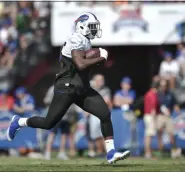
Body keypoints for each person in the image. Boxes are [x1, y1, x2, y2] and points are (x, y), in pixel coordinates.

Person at [7, 12, 130, 164]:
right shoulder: (76, 39)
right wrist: (101, 57)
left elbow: (83, 64)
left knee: (104, 113)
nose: (94, 29)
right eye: (92, 26)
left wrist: (96, 56)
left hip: (81, 88)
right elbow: (80, 64)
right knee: (48, 123)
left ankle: (111, 153)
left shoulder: (84, 40)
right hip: (67, 87)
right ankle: (19, 122)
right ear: (82, 26)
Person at [86, 74, 112, 157]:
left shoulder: (106, 90)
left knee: (104, 133)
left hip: (102, 114)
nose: (101, 81)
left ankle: (108, 152)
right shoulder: (91, 89)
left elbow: (107, 101)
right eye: (99, 79)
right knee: (96, 135)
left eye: (102, 79)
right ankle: (100, 151)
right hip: (93, 114)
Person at [157, 79, 181, 158]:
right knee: (159, 132)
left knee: (171, 134)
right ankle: (160, 150)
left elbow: (175, 104)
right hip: (160, 116)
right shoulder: (158, 94)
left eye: (165, 85)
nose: (163, 87)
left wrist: (178, 111)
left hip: (168, 117)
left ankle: (174, 150)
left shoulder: (170, 94)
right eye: (162, 86)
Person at [143, 80, 159, 159]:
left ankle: (148, 152)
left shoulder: (148, 93)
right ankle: (148, 153)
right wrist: (154, 119)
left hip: (147, 116)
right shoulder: (152, 94)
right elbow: (153, 109)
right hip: (150, 116)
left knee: (148, 135)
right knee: (149, 135)